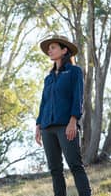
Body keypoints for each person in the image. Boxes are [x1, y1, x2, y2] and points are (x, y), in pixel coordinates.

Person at [35, 35, 91, 196]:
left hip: (66, 126)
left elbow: (78, 97)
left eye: (53, 47)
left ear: (64, 50)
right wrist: (39, 125)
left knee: (75, 165)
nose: (49, 51)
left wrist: (73, 120)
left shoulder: (74, 72)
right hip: (47, 128)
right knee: (55, 170)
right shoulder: (49, 78)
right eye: (48, 48)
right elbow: (44, 102)